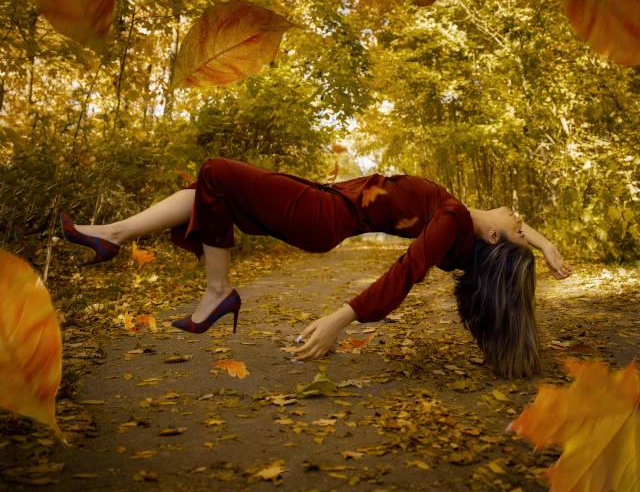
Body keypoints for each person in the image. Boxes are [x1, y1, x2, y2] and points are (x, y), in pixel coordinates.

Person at [59, 157, 571, 379]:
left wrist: (340, 318)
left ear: (498, 236)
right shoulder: (467, 228)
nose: (523, 219)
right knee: (206, 194)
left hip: (322, 214)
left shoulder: (454, 221)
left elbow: (406, 271)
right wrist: (545, 248)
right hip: (320, 202)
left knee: (215, 171)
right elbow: (514, 232)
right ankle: (112, 236)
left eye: (521, 229)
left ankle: (218, 290)